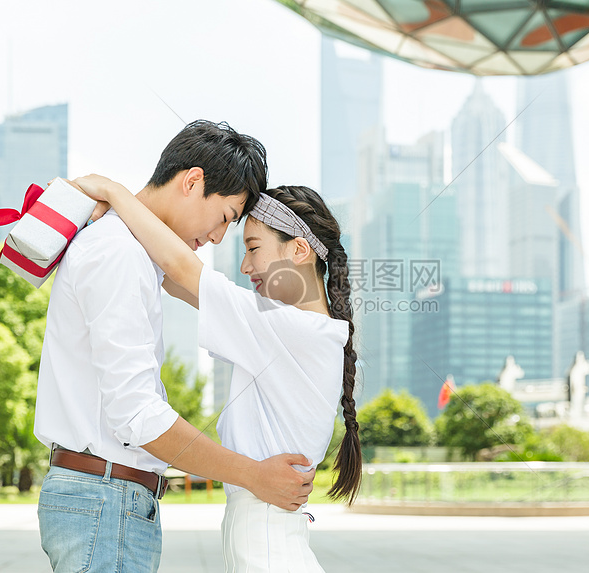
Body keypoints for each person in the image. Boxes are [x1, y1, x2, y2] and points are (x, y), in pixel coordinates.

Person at [34, 121, 314, 573]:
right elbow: (138, 414)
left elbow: (192, 282)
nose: (219, 238)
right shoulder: (119, 253)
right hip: (105, 500)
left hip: (109, 500)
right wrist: (255, 476)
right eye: (224, 217)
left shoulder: (131, 252)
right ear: (192, 181)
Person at [73, 174, 362, 572]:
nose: (245, 266)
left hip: (269, 548)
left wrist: (112, 192)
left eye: (253, 248)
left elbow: (179, 268)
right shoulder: (298, 329)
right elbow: (177, 280)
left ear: (299, 250)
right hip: (270, 541)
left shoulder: (293, 329)